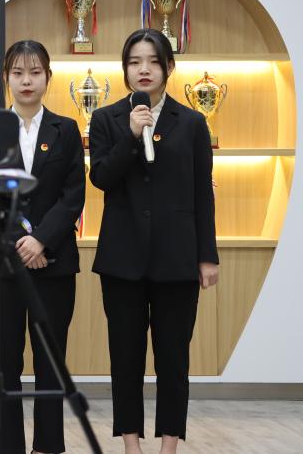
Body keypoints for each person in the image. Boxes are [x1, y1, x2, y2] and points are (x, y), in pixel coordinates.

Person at [89, 28, 218, 454]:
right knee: (125, 359)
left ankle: (169, 445)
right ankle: (131, 444)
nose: (143, 69)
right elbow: (102, 178)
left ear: (168, 67)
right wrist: (130, 135)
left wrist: (207, 256)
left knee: (173, 360)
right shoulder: (106, 119)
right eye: (134, 62)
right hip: (122, 259)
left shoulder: (193, 122)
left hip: (177, 258)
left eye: (153, 61)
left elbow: (202, 193)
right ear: (125, 69)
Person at [0, 40, 85, 454]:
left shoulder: (66, 129)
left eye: (34, 72)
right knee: (5, 363)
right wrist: (20, 243)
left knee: (50, 363)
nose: (26, 81)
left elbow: (73, 195)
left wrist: (41, 239)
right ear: (6, 78)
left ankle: (48, 446)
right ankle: (8, 446)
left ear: (48, 76)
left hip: (54, 263)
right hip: (5, 266)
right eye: (18, 73)